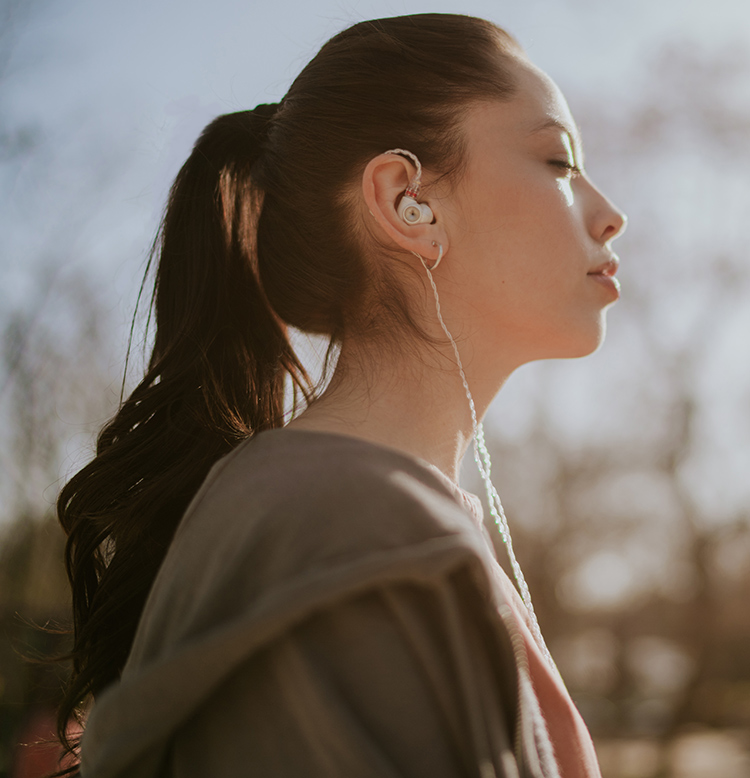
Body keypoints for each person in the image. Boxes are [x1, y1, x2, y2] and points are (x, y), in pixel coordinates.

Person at [55, 12, 627, 778]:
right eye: (559, 160)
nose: (609, 213)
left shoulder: (363, 512)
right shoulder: (357, 526)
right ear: (404, 201)